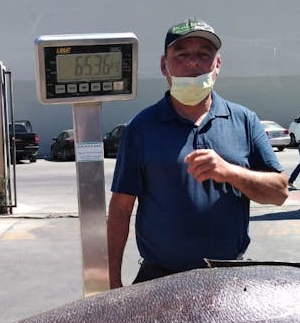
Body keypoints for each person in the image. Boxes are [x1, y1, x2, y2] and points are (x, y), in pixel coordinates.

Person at [106, 18, 288, 288]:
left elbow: (280, 192)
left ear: (217, 65)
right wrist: (112, 283)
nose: (193, 62)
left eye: (204, 55)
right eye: (181, 54)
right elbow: (121, 209)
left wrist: (229, 172)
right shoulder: (141, 128)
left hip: (228, 278)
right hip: (160, 280)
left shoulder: (244, 121)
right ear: (163, 65)